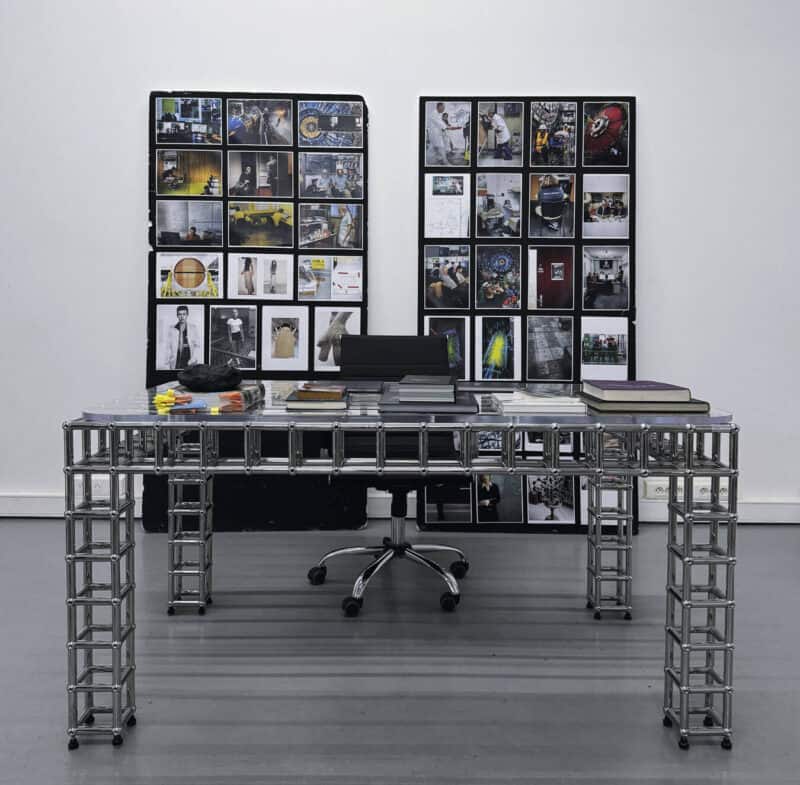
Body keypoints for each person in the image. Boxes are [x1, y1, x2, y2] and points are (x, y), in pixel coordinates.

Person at [166, 305, 201, 369]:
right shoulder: (172, 329)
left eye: (184, 314)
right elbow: (168, 346)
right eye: (180, 314)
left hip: (189, 360)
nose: (182, 317)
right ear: (177, 315)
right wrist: (169, 360)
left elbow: (197, 345)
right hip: (176, 361)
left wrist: (194, 358)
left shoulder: (193, 328)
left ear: (187, 315)